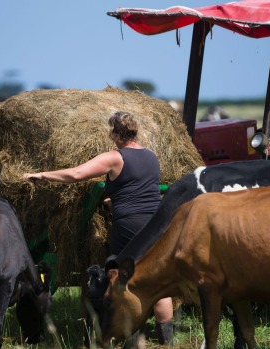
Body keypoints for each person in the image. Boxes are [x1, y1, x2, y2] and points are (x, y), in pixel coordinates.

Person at [21, 111, 174, 346]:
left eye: (110, 130)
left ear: (115, 133)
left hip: (128, 226)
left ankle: (129, 338)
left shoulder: (115, 157)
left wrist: (42, 174)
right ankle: (168, 341)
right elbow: (142, 189)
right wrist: (115, 200)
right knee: (157, 281)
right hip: (156, 224)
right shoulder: (151, 157)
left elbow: (77, 174)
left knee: (125, 281)